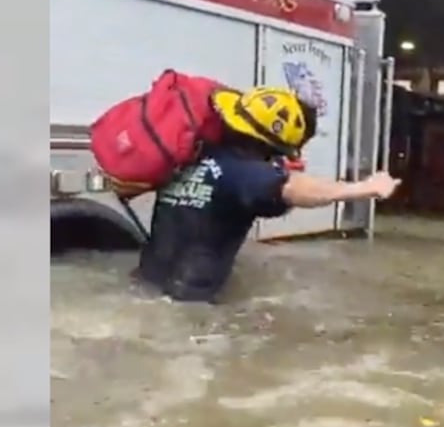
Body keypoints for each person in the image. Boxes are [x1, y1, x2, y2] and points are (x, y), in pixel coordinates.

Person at [135, 86, 400, 303]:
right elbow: (293, 189)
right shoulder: (245, 174)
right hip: (187, 306)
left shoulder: (192, 157)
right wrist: (364, 187)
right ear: (273, 147)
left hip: (144, 285)